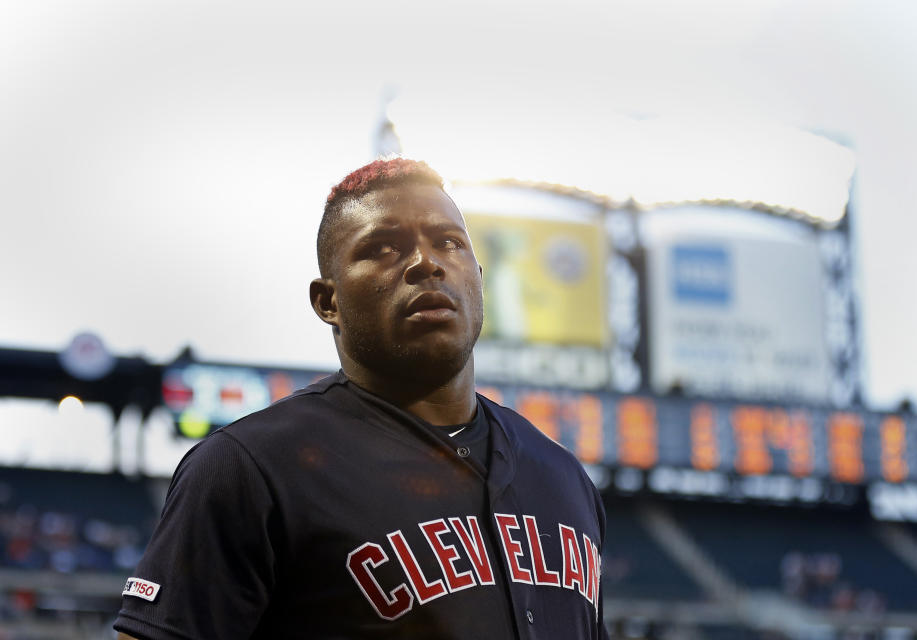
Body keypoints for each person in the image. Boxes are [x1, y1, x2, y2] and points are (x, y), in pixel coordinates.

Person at [114, 158, 609, 639]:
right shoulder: (250, 468)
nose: (426, 263)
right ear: (328, 301)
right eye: (385, 247)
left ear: (478, 276)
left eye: (448, 242)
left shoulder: (562, 475)